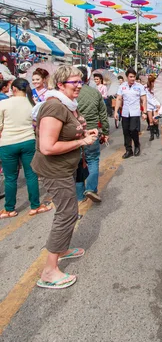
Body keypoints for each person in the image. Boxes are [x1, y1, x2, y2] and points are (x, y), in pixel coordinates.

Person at [31, 65, 98, 289]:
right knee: (67, 214)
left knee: (69, 212)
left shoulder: (67, 105)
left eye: (80, 81)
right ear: (60, 85)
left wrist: (82, 130)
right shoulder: (54, 107)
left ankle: (62, 249)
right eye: (74, 82)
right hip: (54, 171)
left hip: (64, 169)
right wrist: (81, 141)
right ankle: (49, 271)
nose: (79, 85)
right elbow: (48, 146)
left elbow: (65, 132)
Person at [0, 78, 50, 219]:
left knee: (10, 177)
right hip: (28, 141)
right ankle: (35, 206)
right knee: (31, 174)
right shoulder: (32, 104)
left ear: (14, 89)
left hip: (7, 144)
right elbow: (37, 123)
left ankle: (9, 209)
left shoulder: (4, 103)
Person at [75, 66, 110, 205]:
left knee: (78, 163)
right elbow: (103, 114)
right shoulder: (95, 93)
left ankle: (79, 196)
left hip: (75, 133)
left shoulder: (71, 93)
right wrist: (106, 132)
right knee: (93, 160)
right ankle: (91, 189)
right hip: (92, 131)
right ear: (88, 78)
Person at [114, 67, 147, 158]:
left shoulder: (139, 87)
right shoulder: (122, 86)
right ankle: (128, 150)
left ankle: (137, 145)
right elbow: (119, 99)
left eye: (134, 77)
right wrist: (116, 111)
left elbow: (144, 99)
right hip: (125, 112)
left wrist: (144, 112)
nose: (133, 79)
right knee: (126, 132)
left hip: (135, 112)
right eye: (131, 77)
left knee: (133, 130)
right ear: (127, 77)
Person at [146, 75, 160, 142]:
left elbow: (158, 97)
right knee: (151, 121)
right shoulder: (146, 89)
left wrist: (158, 104)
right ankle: (152, 135)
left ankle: (156, 130)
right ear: (150, 82)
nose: (154, 83)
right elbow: (148, 99)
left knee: (155, 120)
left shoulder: (157, 89)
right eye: (153, 82)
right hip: (149, 106)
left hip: (156, 106)